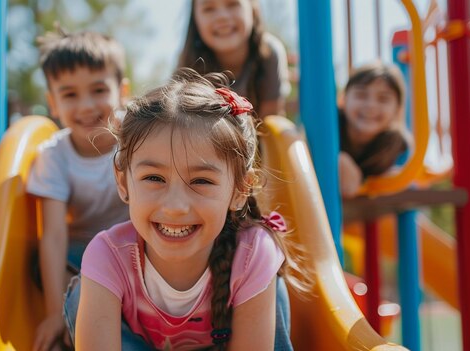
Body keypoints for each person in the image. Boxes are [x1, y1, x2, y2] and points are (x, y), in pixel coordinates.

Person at [73, 68, 309, 350]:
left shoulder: (251, 255)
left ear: (240, 190)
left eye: (201, 181)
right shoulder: (109, 255)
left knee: (274, 284)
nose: (175, 207)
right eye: (154, 178)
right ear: (123, 181)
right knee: (79, 293)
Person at [26, 28, 130, 351]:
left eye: (98, 90)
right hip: (82, 257)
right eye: (70, 94)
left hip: (136, 248)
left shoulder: (136, 137)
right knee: (39, 264)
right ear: (52, 103)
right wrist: (53, 313)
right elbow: (54, 235)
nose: (86, 105)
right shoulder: (54, 156)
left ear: (121, 91)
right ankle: (73, 326)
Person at [177, 0, 291, 119]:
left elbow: (270, 122)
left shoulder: (269, 53)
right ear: (195, 19)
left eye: (233, 4)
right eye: (208, 9)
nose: (222, 16)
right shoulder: (189, 66)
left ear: (252, 9)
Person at [338, 62, 410, 198]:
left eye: (383, 99)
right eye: (361, 95)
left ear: (397, 109)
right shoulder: (330, 127)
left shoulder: (397, 145)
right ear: (344, 99)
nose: (371, 105)